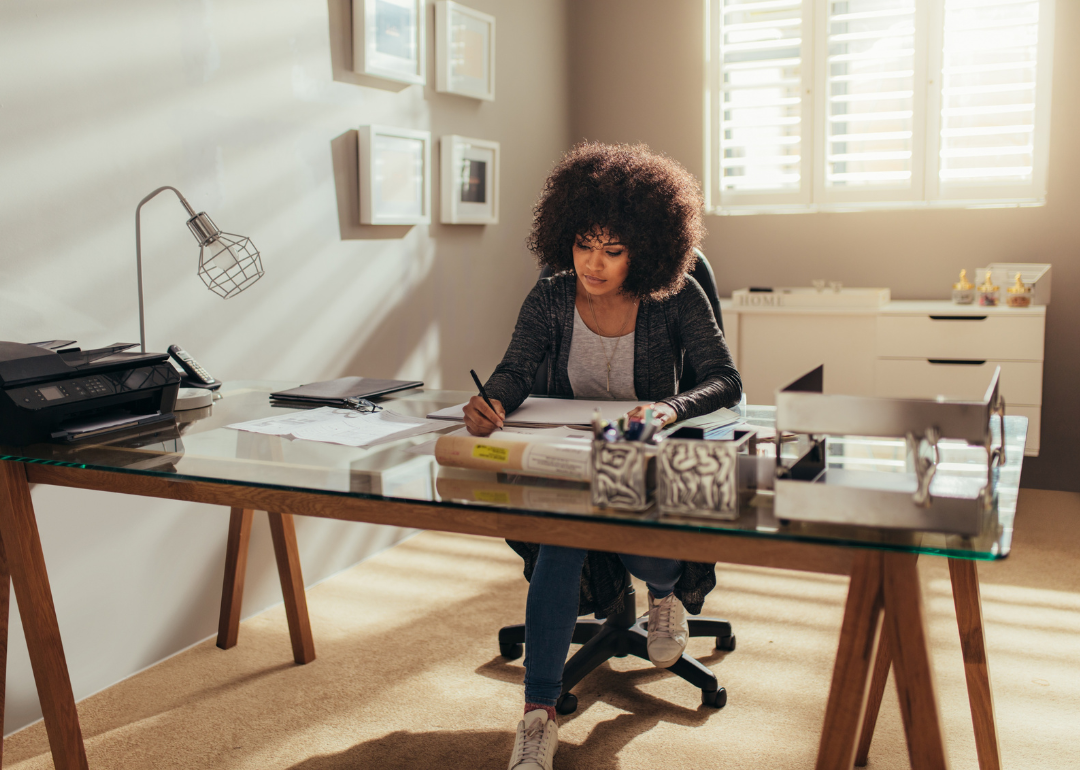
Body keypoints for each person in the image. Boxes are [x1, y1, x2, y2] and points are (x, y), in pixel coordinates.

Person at [463, 142, 741, 770]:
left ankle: (663, 593)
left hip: (646, 456)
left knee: (624, 523)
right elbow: (514, 369)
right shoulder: (553, 297)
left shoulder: (676, 296)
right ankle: (537, 717)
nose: (593, 263)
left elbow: (725, 379)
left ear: (645, 249)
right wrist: (492, 403)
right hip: (576, 456)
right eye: (584, 244)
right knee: (564, 533)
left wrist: (670, 408)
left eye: (612, 251)